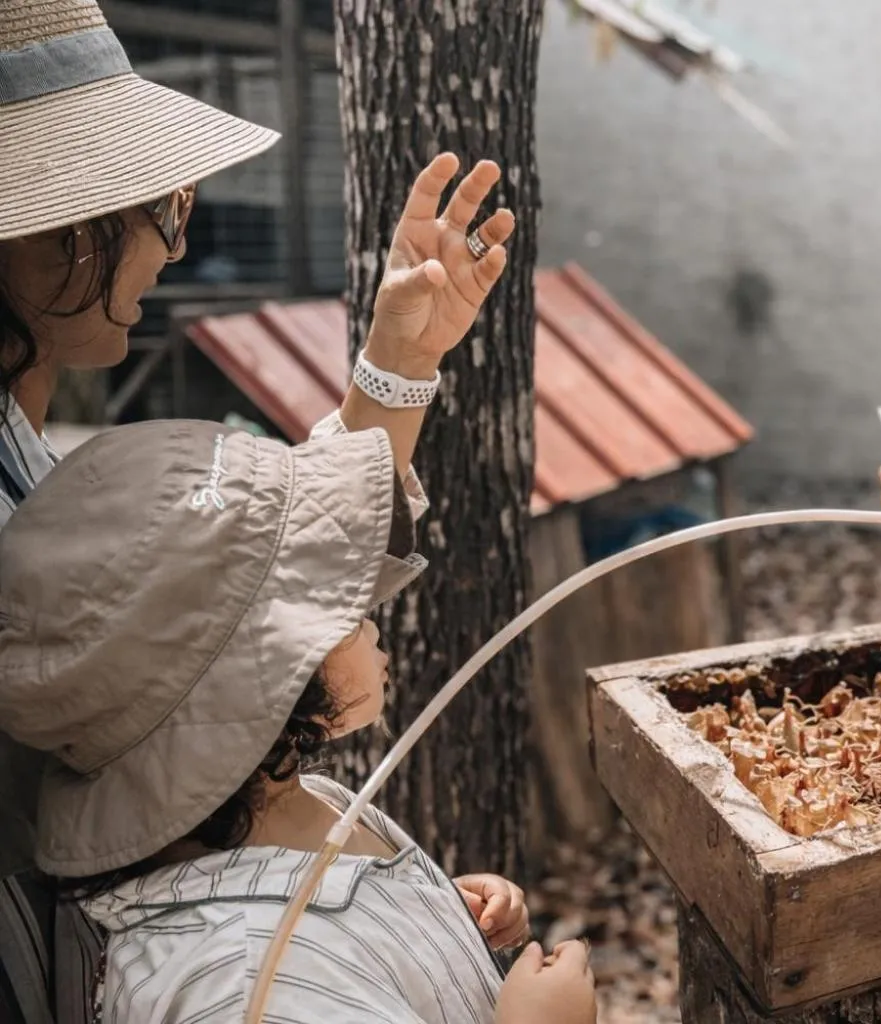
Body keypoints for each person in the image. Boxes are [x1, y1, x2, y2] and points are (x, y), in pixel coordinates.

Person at [0, 0, 517, 1019]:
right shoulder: (229, 977)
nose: (173, 248)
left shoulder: (22, 427)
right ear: (47, 237)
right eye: (155, 208)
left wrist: (383, 933)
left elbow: (207, 599)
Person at [0, 419, 599, 1024]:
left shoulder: (301, 804)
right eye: (332, 605)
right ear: (251, 687)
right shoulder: (241, 984)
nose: (370, 615)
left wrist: (424, 922)